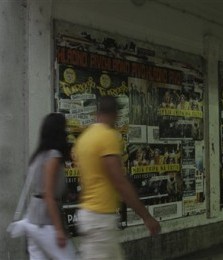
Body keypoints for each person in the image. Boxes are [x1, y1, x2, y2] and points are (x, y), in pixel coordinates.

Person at [74, 96, 161, 259]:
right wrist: (147, 217)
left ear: (97, 112)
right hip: (100, 219)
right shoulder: (107, 136)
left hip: (90, 215)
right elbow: (119, 182)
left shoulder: (83, 139)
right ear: (115, 114)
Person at [25, 113, 76, 259]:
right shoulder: (53, 155)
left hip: (33, 220)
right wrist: (59, 229)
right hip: (46, 221)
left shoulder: (39, 155)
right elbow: (48, 195)